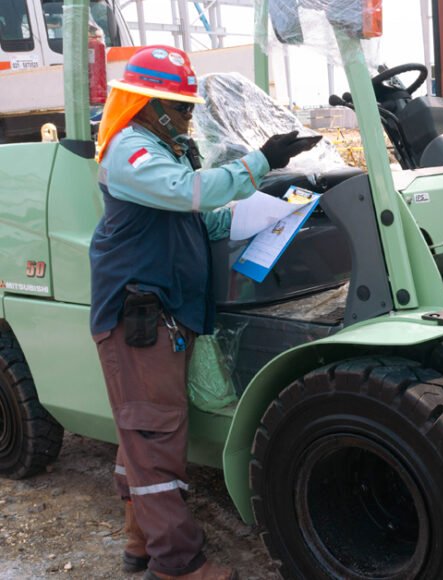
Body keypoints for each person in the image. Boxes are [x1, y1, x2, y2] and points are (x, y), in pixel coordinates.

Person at [89, 45, 318, 580]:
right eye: (183, 107)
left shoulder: (163, 148)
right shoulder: (131, 150)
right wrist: (259, 162)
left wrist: (261, 214)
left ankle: (140, 541)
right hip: (139, 316)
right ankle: (178, 563)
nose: (190, 116)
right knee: (154, 435)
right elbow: (187, 195)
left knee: (144, 432)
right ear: (150, 103)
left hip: (161, 311)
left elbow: (194, 222)